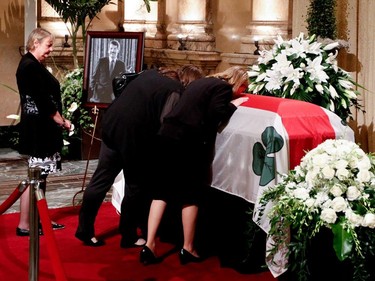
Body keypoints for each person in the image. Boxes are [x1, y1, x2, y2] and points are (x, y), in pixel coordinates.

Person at [75, 65, 204, 247]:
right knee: (136, 186)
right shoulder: (175, 91)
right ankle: (128, 236)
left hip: (111, 124)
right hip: (133, 135)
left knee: (101, 179)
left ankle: (84, 230)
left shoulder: (150, 74)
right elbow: (166, 124)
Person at [140, 66, 249, 265]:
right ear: (238, 82)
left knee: (161, 192)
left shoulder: (201, 82)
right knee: (190, 194)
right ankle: (188, 248)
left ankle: (149, 244)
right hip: (187, 143)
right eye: (244, 87)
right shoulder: (223, 88)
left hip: (167, 136)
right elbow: (215, 115)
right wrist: (234, 105)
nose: (244, 91)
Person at [15, 27, 72, 236]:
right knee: (35, 177)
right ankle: (24, 224)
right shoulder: (29, 66)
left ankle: (38, 220)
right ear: (35, 43)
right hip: (39, 131)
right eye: (48, 45)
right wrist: (61, 120)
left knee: (40, 177)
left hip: (42, 129)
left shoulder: (33, 64)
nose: (50, 50)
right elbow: (41, 99)